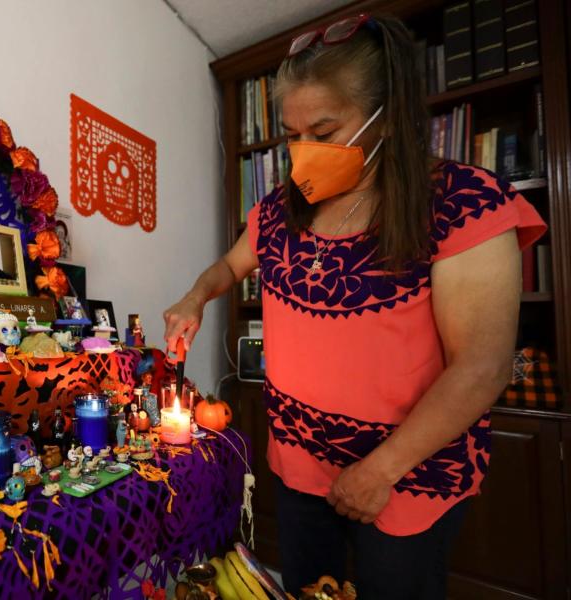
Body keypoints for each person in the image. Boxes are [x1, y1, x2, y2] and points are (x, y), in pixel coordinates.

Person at [162, 14, 545, 599]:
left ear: (385, 117)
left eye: (323, 129)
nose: (302, 152)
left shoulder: (462, 203)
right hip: (297, 468)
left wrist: (379, 472)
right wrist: (194, 298)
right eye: (291, 134)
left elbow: (482, 368)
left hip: (404, 477)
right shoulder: (277, 211)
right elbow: (227, 268)